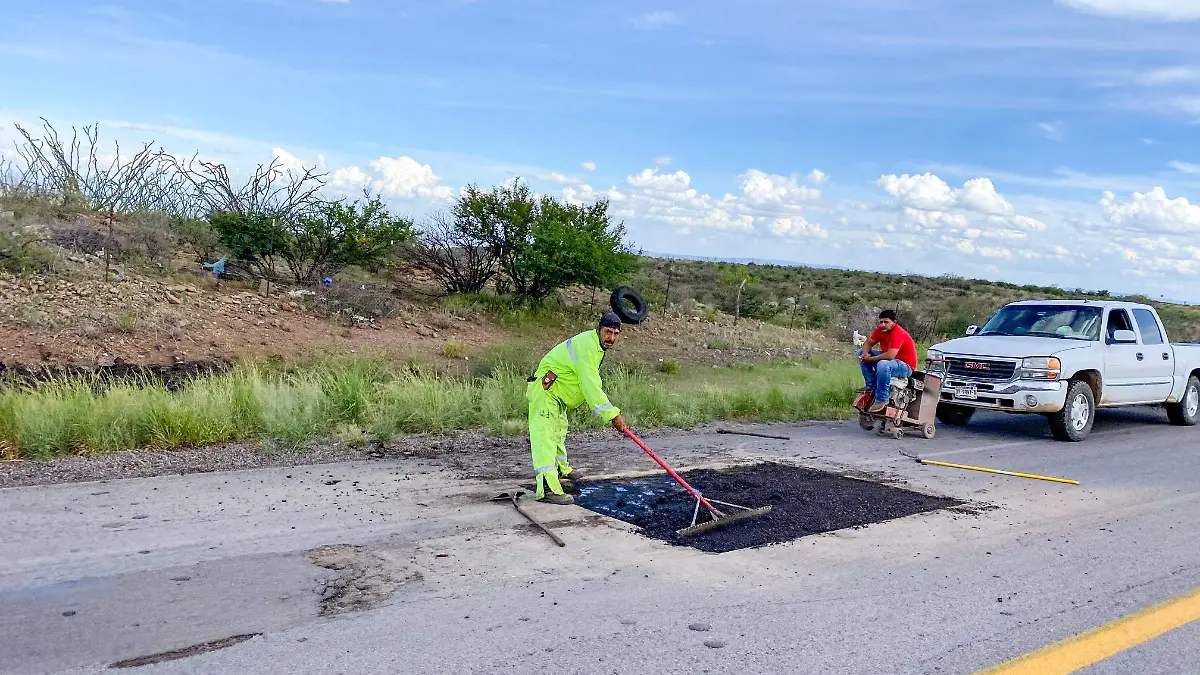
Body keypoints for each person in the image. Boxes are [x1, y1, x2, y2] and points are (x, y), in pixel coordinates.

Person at [527, 313, 628, 505]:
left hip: (556, 396)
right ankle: (548, 489)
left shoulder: (596, 346)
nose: (611, 338)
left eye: (616, 334)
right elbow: (590, 385)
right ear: (599, 329)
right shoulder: (588, 346)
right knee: (545, 439)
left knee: (558, 434)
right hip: (546, 392)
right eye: (608, 332)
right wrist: (612, 415)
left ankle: (561, 471)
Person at [858, 309, 918, 413]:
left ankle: (882, 399)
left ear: (894, 322)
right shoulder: (880, 330)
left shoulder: (898, 333)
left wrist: (870, 359)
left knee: (883, 364)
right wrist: (865, 353)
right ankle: (871, 386)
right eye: (881, 322)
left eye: (886, 322)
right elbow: (868, 343)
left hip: (905, 366)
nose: (883, 325)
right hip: (891, 362)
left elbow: (890, 355)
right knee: (860, 352)